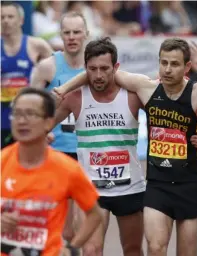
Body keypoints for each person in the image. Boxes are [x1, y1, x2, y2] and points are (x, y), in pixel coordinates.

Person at [53, 37, 197, 256]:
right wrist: (63, 88)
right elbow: (96, 73)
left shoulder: (187, 91)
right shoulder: (145, 88)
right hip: (152, 185)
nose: (167, 69)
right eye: (163, 62)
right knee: (150, 248)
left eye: (174, 64)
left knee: (166, 252)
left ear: (186, 67)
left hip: (184, 185)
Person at [51, 37, 147, 256]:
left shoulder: (132, 96)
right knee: (91, 250)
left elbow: (167, 117)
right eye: (92, 69)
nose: (98, 75)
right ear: (85, 70)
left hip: (129, 187)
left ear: (116, 68)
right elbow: (43, 123)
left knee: (132, 249)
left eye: (105, 68)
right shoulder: (74, 98)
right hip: (91, 190)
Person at [1, 87, 102, 256]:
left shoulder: (68, 169)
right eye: (17, 114)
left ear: (49, 122)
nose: (22, 121)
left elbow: (95, 214)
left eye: (31, 114)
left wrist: (71, 248)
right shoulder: (2, 162)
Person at [30, 11, 90, 242]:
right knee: (61, 224)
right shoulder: (47, 67)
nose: (72, 37)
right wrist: (39, 132)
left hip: (87, 149)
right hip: (57, 150)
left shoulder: (95, 67)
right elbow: (30, 105)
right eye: (67, 32)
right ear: (61, 35)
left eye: (77, 32)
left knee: (83, 221)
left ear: (86, 34)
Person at [1, 1, 53, 149]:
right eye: (2, 17)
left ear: (21, 20)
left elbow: (57, 72)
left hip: (27, 116)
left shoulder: (36, 45)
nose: (5, 21)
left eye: (10, 16)